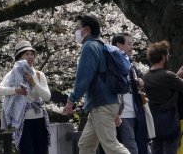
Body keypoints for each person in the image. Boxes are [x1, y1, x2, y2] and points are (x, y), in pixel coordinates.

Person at [64, 14, 131, 154]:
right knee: (85, 145)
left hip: (101, 104)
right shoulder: (102, 46)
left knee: (111, 146)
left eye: (77, 28)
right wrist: (115, 111)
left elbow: (84, 78)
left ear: (87, 30)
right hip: (104, 104)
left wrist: (71, 100)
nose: (75, 31)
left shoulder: (89, 47)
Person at [0, 41, 50, 154]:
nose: (30, 57)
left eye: (32, 54)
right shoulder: (12, 75)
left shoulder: (39, 74)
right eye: (26, 54)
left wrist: (33, 83)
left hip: (40, 120)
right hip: (23, 122)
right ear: (19, 58)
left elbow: (47, 97)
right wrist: (16, 90)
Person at [142, 41, 183, 154]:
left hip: (154, 122)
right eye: (167, 54)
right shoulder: (168, 76)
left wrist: (176, 75)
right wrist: (177, 76)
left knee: (156, 149)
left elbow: (164, 84)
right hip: (170, 121)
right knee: (171, 150)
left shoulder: (146, 77)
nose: (169, 56)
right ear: (163, 57)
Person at [112, 34, 150, 154]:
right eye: (129, 44)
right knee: (131, 147)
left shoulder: (131, 64)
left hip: (136, 111)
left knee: (142, 145)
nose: (131, 47)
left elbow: (140, 81)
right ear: (119, 45)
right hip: (122, 113)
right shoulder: (112, 64)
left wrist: (141, 82)